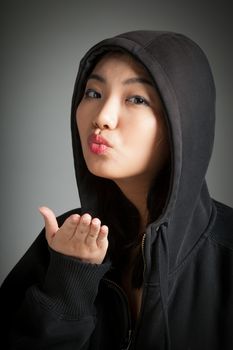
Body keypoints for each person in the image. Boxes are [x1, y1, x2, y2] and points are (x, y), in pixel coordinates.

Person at [0, 30, 233, 350]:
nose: (103, 118)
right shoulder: (65, 243)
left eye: (136, 99)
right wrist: (70, 284)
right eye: (93, 92)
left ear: (183, 121)